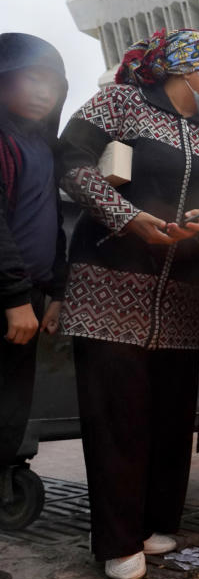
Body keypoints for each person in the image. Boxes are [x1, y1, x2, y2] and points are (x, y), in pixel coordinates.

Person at [56, 28, 199, 579]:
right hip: (110, 284)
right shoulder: (122, 103)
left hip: (179, 298)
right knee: (117, 416)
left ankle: (157, 522)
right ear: (189, 70)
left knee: (168, 415)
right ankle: (116, 540)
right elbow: (71, 159)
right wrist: (127, 216)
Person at [0, 33, 68, 474]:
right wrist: (14, 298)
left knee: (10, 414)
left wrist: (56, 291)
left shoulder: (42, 147)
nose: (45, 92)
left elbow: (51, 222)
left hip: (29, 299)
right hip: (11, 301)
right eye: (33, 79)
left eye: (54, 83)